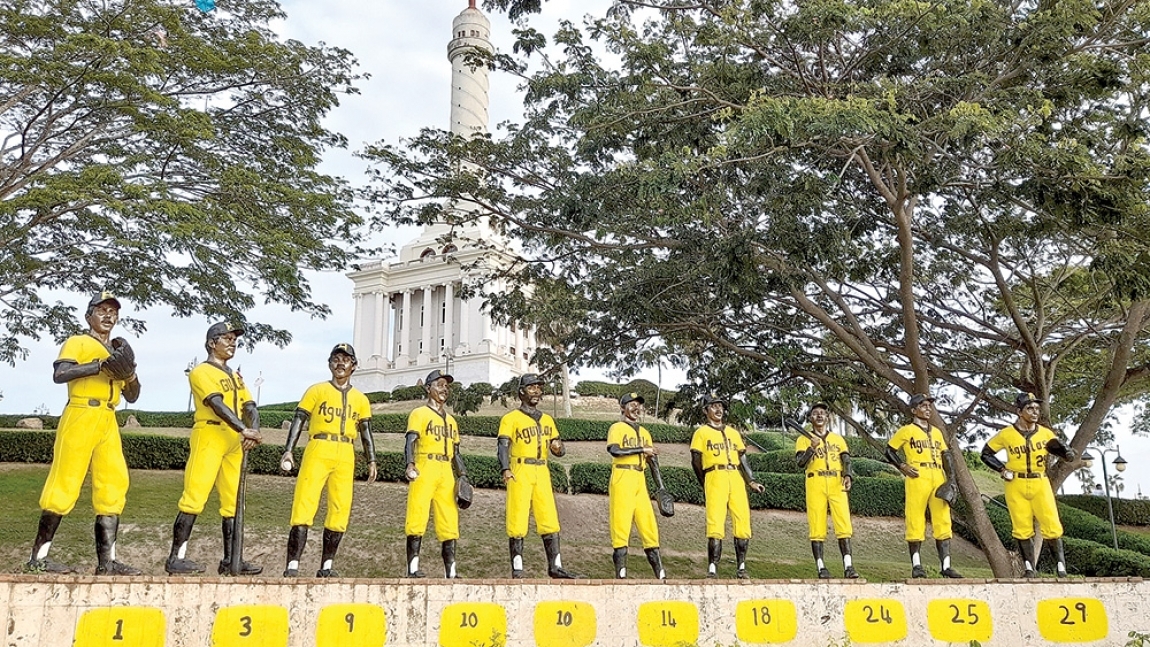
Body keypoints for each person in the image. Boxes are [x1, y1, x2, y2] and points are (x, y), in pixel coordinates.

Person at [27, 292, 142, 575]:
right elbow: (60, 373)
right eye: (101, 310)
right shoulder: (78, 341)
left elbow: (134, 395)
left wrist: (129, 374)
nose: (107, 315)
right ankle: (38, 558)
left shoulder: (118, 350)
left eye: (112, 311)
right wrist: (99, 366)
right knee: (65, 481)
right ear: (89, 315)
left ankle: (107, 563)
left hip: (108, 417)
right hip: (81, 411)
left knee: (113, 485)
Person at [165, 322, 262, 575]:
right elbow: (217, 404)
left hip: (233, 439)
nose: (232, 343)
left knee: (233, 501)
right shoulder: (202, 371)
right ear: (211, 343)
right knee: (195, 495)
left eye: (234, 340)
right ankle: (176, 557)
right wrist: (244, 429)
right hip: (210, 433)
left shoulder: (235, 375)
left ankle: (232, 559)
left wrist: (253, 430)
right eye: (226, 338)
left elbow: (250, 405)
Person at [280, 343, 376, 578]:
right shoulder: (316, 390)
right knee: (305, 502)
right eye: (336, 359)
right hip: (319, 447)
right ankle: (292, 565)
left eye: (346, 359)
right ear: (329, 363)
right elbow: (299, 420)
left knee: (340, 508)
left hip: (345, 451)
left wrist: (371, 459)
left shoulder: (360, 399)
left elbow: (365, 431)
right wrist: (288, 450)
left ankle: (327, 565)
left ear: (354, 365)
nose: (340, 363)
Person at [980, 392, 1076, 578]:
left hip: (1040, 481)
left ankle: (1061, 567)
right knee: (1021, 525)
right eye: (1029, 408)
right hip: (1016, 482)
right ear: (1019, 411)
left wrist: (1068, 453)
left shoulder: (1046, 433)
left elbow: (1064, 451)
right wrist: (1001, 469)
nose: (1034, 412)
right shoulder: (1007, 434)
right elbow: (986, 453)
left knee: (1051, 523)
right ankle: (1029, 568)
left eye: (1037, 409)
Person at [498, 373, 578, 578]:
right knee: (517, 517)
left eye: (539, 388)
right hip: (520, 468)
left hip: (542, 469)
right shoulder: (511, 418)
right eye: (532, 387)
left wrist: (559, 448)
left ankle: (555, 566)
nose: (536, 391)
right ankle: (517, 568)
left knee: (549, 517)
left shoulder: (547, 419)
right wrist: (505, 468)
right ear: (521, 391)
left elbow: (560, 449)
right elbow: (503, 446)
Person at [885, 393, 963, 578]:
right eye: (923, 406)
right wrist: (902, 465)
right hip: (918, 474)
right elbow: (889, 450)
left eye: (929, 406)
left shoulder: (936, 432)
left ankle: (946, 566)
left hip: (937, 475)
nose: (928, 409)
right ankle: (917, 565)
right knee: (915, 518)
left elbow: (946, 455)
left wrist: (951, 478)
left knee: (943, 519)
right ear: (914, 410)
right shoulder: (906, 430)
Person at [690, 394, 765, 579]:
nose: (718, 410)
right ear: (705, 410)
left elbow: (742, 458)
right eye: (713, 406)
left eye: (720, 406)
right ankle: (713, 568)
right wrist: (705, 481)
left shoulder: (733, 432)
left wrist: (751, 480)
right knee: (715, 521)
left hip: (735, 477)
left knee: (742, 521)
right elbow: (696, 461)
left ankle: (741, 566)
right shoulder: (701, 432)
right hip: (715, 474)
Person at [403, 369, 466, 578]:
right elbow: (410, 441)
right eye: (439, 384)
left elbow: (456, 452)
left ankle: (452, 572)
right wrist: (410, 464)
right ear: (428, 388)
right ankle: (412, 569)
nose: (444, 389)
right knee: (417, 516)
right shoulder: (419, 414)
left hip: (446, 469)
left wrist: (463, 475)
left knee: (449, 521)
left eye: (446, 386)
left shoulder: (452, 421)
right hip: (425, 464)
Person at [795, 402, 859, 579]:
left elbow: (846, 459)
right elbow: (800, 463)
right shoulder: (803, 439)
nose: (819, 416)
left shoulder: (838, 439)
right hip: (815, 480)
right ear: (810, 418)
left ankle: (848, 566)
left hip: (835, 481)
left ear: (828, 417)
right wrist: (811, 448)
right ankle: (821, 566)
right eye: (815, 413)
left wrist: (848, 475)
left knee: (843, 523)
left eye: (822, 413)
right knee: (817, 524)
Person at [606, 392, 665, 579]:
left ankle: (660, 574)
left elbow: (652, 461)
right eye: (631, 404)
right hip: (623, 475)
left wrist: (661, 487)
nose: (636, 408)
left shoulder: (644, 432)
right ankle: (620, 574)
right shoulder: (617, 427)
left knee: (648, 524)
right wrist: (642, 449)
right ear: (623, 407)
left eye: (638, 405)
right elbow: (614, 450)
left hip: (640, 477)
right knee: (621, 524)